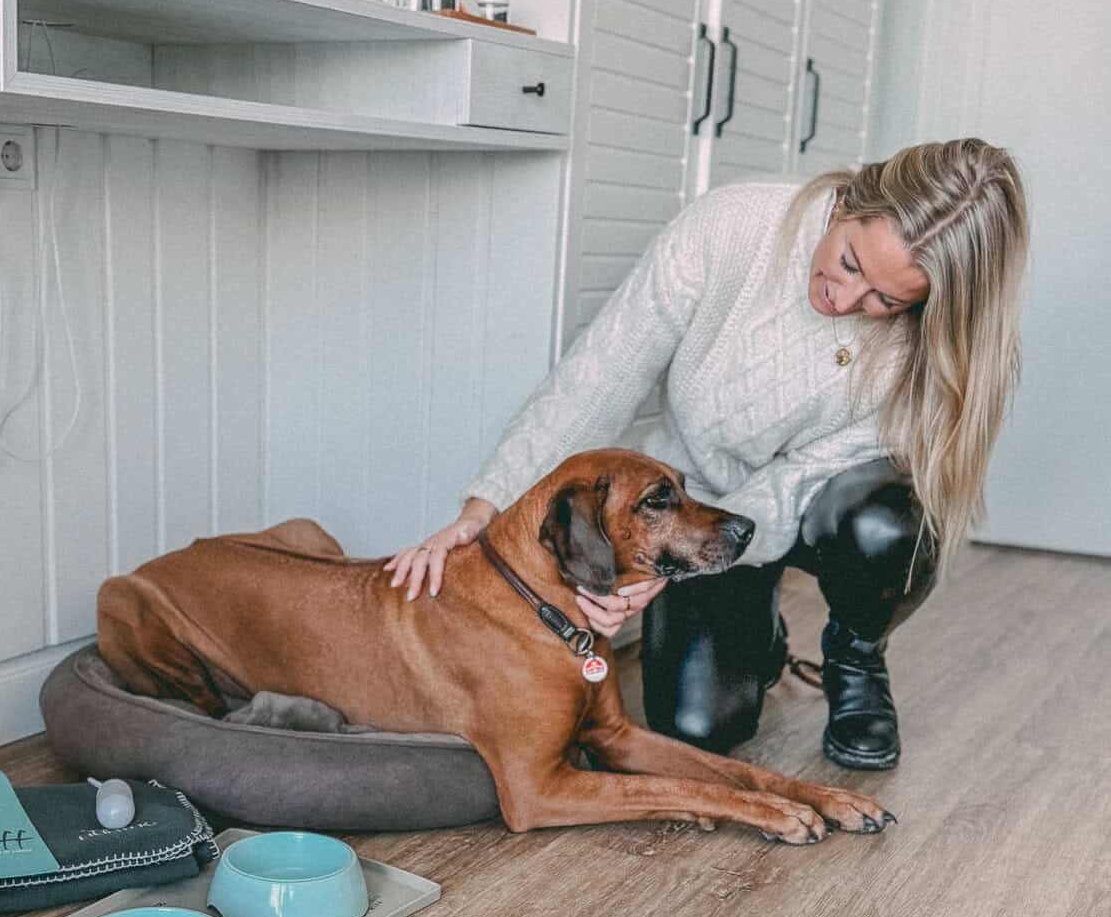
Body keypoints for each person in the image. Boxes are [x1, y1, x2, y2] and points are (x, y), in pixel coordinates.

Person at [387, 141, 1029, 771]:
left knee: (888, 526)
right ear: (844, 205)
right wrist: (484, 507)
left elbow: (794, 479)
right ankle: (764, 638)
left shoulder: (921, 350)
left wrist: (669, 567)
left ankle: (856, 654)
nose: (847, 300)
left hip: (816, 506)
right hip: (694, 506)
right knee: (699, 728)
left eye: (886, 301)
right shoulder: (733, 226)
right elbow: (599, 378)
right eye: (850, 262)